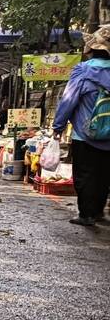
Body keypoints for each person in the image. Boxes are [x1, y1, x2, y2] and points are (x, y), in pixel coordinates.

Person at [53, 25, 110, 226]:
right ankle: (99, 211)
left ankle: (86, 214)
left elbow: (69, 100)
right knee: (104, 174)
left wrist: (58, 126)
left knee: (84, 174)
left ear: (92, 49)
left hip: (84, 134)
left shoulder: (83, 70)